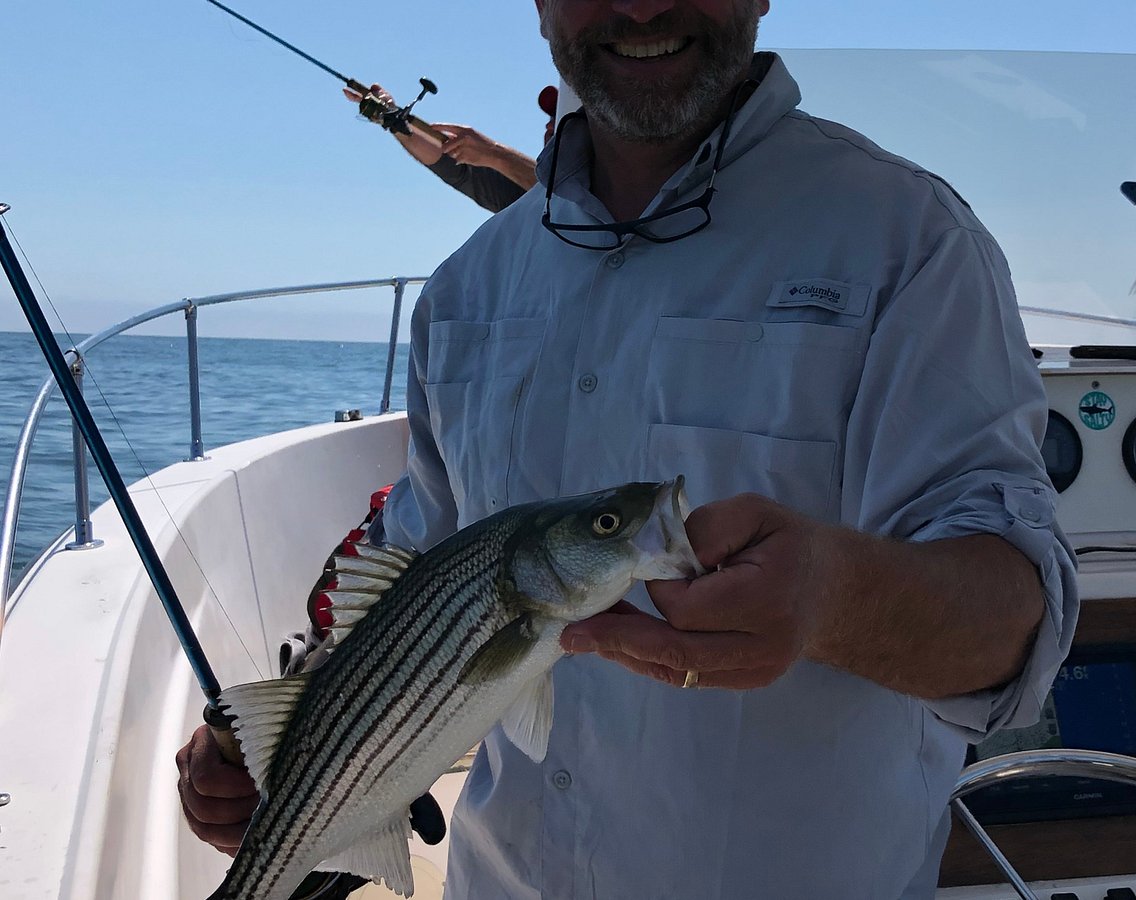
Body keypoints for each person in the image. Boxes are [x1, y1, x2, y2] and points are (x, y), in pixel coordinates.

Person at [178, 1, 1080, 897]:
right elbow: (409, 576)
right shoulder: (467, 287)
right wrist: (288, 742)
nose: (643, 5)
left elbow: (1016, 633)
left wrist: (834, 599)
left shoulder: (910, 243)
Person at [342, 83, 557, 214]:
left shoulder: (581, 195)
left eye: (561, 116)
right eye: (550, 117)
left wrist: (494, 153)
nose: (549, 125)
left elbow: (565, 195)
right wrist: (390, 117)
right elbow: (457, 167)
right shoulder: (526, 194)